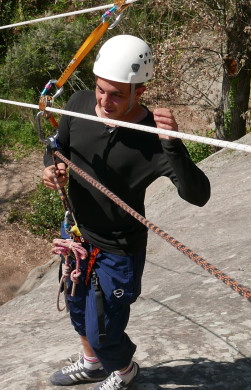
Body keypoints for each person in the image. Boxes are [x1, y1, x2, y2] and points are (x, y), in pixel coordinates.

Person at [41, 35, 210, 390]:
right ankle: (92, 365)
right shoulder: (79, 103)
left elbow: (198, 195)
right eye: (101, 89)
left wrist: (173, 146)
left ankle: (124, 370)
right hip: (77, 233)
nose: (104, 100)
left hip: (119, 249)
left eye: (117, 94)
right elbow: (58, 148)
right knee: (76, 311)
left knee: (104, 329)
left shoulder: (151, 138)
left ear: (141, 92)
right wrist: (51, 169)